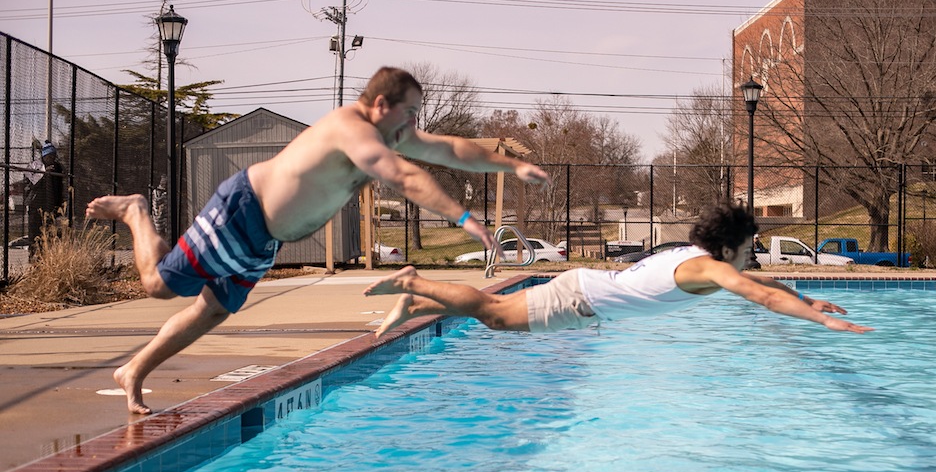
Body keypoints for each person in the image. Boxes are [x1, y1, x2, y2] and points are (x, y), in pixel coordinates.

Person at [86, 67, 551, 414]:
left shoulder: (389, 130)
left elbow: (448, 148)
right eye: (409, 111)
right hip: (242, 211)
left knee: (211, 309)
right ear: (382, 105)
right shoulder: (354, 130)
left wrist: (510, 166)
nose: (414, 123)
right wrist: (463, 215)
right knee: (159, 286)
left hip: (264, 240)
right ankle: (135, 210)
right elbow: (400, 175)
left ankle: (133, 371)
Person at [364, 202, 873, 337]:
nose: (752, 257)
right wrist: (820, 319)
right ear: (730, 248)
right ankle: (414, 282)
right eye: (749, 248)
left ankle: (415, 303)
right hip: (581, 301)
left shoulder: (695, 260)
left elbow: (765, 284)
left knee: (491, 316)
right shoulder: (715, 270)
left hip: (584, 290)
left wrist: (807, 299)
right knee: (494, 316)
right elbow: (760, 294)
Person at [26, 141, 64, 262]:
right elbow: (32, 183)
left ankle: (46, 260)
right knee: (34, 235)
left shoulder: (57, 168)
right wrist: (44, 174)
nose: (52, 158)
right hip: (36, 206)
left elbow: (60, 188)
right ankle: (33, 260)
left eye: (53, 156)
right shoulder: (35, 165)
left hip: (51, 207)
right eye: (49, 156)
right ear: (44, 156)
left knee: (49, 236)